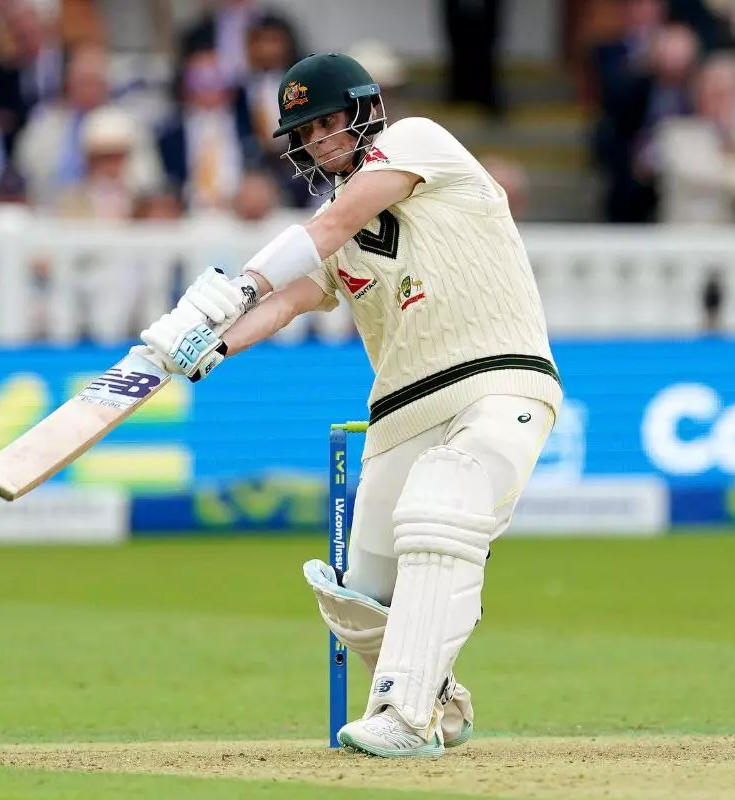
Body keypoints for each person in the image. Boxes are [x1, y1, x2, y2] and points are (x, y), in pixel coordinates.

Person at [133, 52, 563, 757]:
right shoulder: (330, 230)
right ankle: (440, 699)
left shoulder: (419, 142)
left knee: (441, 506)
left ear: (365, 111)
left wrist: (229, 289)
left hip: (500, 376)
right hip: (401, 410)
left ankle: (402, 715)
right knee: (358, 597)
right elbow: (286, 301)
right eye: (304, 133)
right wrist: (209, 346)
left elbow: (326, 231)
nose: (317, 142)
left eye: (327, 123)